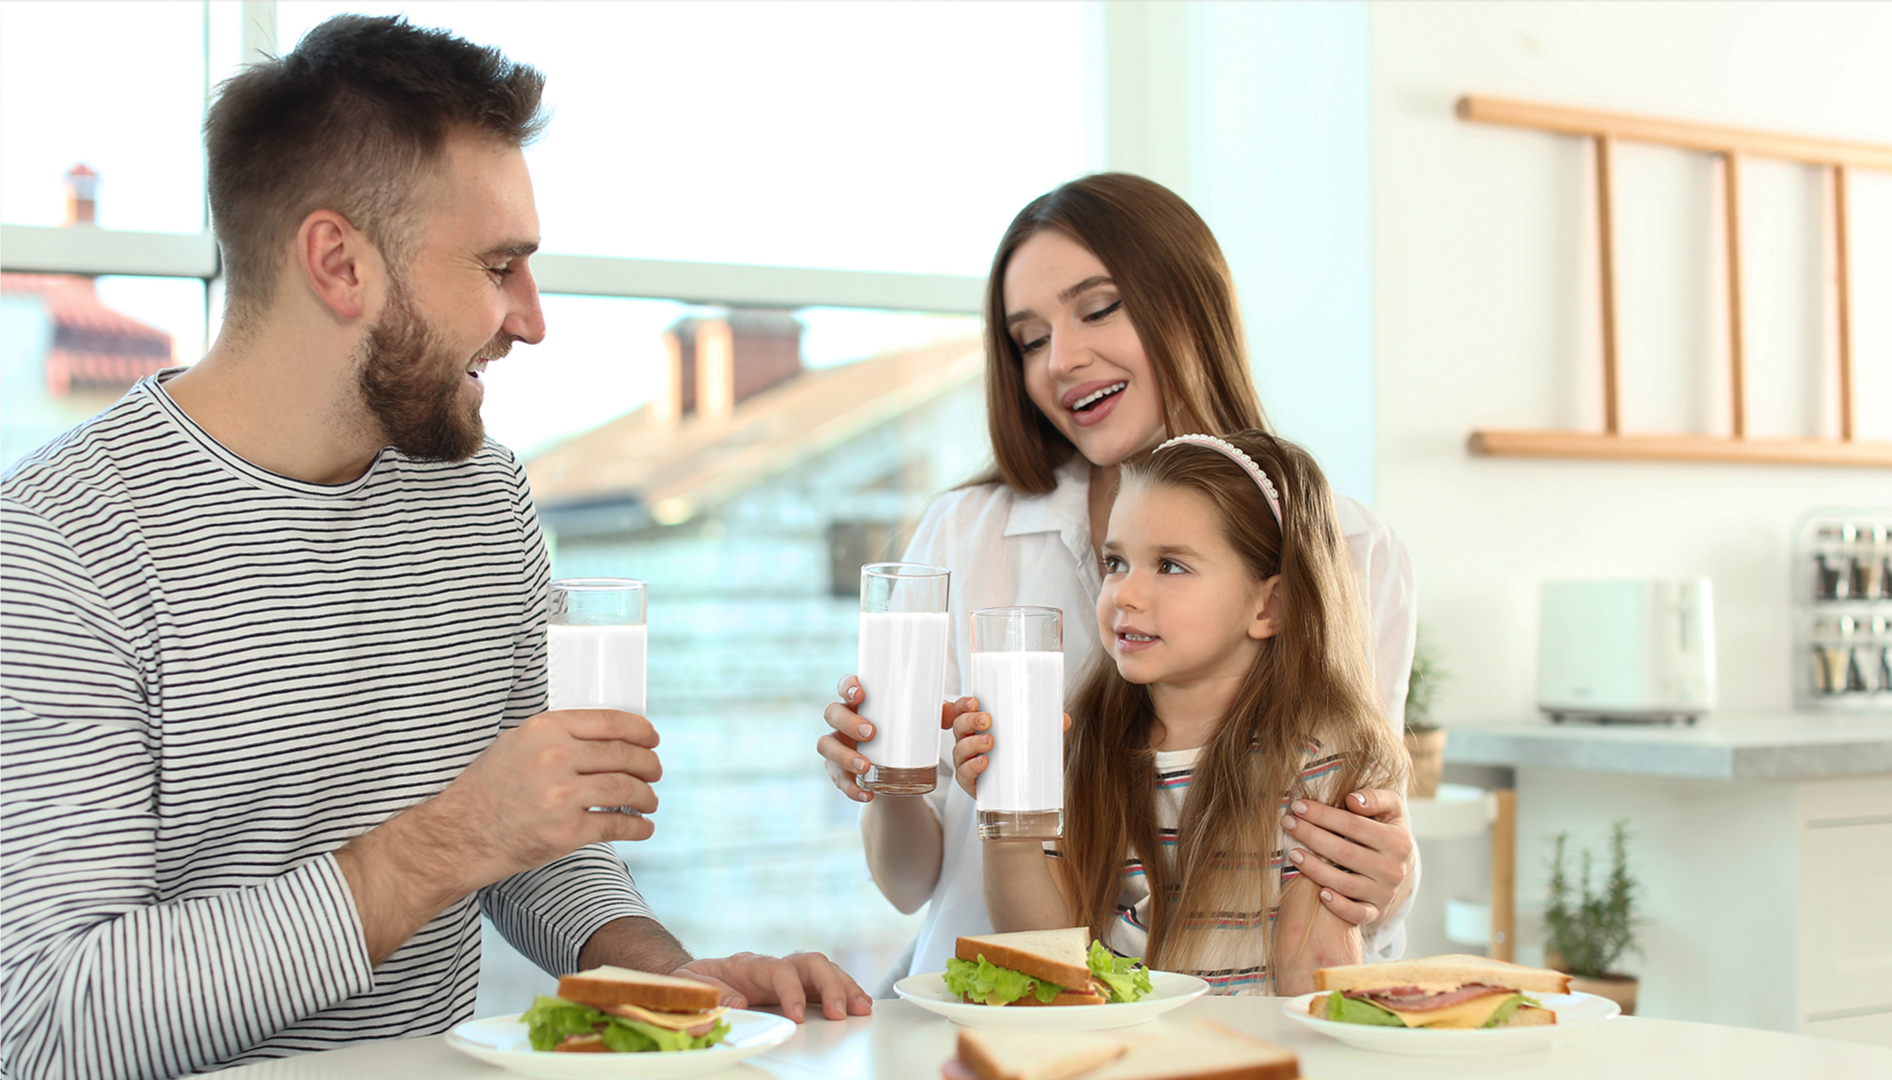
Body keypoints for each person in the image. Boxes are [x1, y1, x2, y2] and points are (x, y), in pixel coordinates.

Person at [0, 16, 865, 1079]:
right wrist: (445, 840)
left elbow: (528, 853)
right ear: (338, 263)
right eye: (499, 265)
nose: (533, 320)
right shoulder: (58, 547)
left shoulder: (480, 494)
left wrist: (660, 979)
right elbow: (45, 1022)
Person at [817, 173, 1420, 982]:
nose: (1063, 360)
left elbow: (1353, 837)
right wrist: (887, 778)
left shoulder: (1347, 547)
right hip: (993, 1013)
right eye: (1029, 339)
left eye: (1098, 308)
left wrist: (1389, 874)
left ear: (1190, 305)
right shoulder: (967, 533)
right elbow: (907, 884)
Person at [954, 431, 1410, 995]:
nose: (1124, 593)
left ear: (1270, 605)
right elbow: (1046, 949)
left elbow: (1314, 965)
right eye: (1116, 562)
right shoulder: (1082, 742)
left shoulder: (1318, 755)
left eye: (1169, 566)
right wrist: (1010, 823)